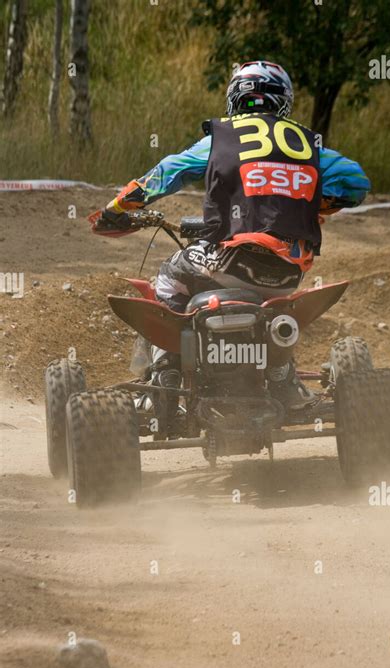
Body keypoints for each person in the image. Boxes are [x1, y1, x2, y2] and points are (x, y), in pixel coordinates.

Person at [93, 60, 370, 412]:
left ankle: (166, 375)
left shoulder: (222, 138)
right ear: (283, 101)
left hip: (230, 262)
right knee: (275, 305)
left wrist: (116, 208)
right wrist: (318, 202)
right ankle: (282, 375)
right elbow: (357, 183)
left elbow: (168, 172)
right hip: (287, 273)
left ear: (234, 98)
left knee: (169, 275)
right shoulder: (306, 144)